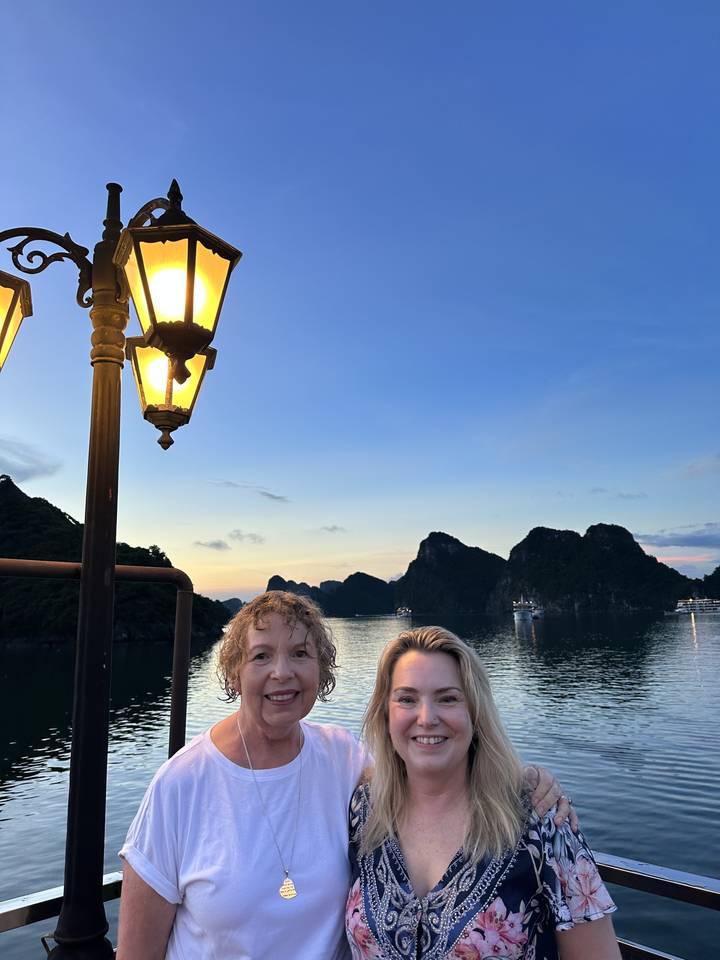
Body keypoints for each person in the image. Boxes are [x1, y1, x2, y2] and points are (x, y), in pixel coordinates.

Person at [116, 592, 572, 960]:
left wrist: (520, 779)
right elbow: (137, 952)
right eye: (261, 656)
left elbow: (428, 775)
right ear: (235, 672)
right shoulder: (181, 784)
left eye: (300, 653)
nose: (282, 672)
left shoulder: (341, 758)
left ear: (322, 671)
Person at [346, 626, 620, 960]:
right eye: (407, 699)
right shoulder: (364, 812)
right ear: (385, 713)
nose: (427, 717)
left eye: (448, 698)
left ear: (475, 713)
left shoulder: (540, 821)